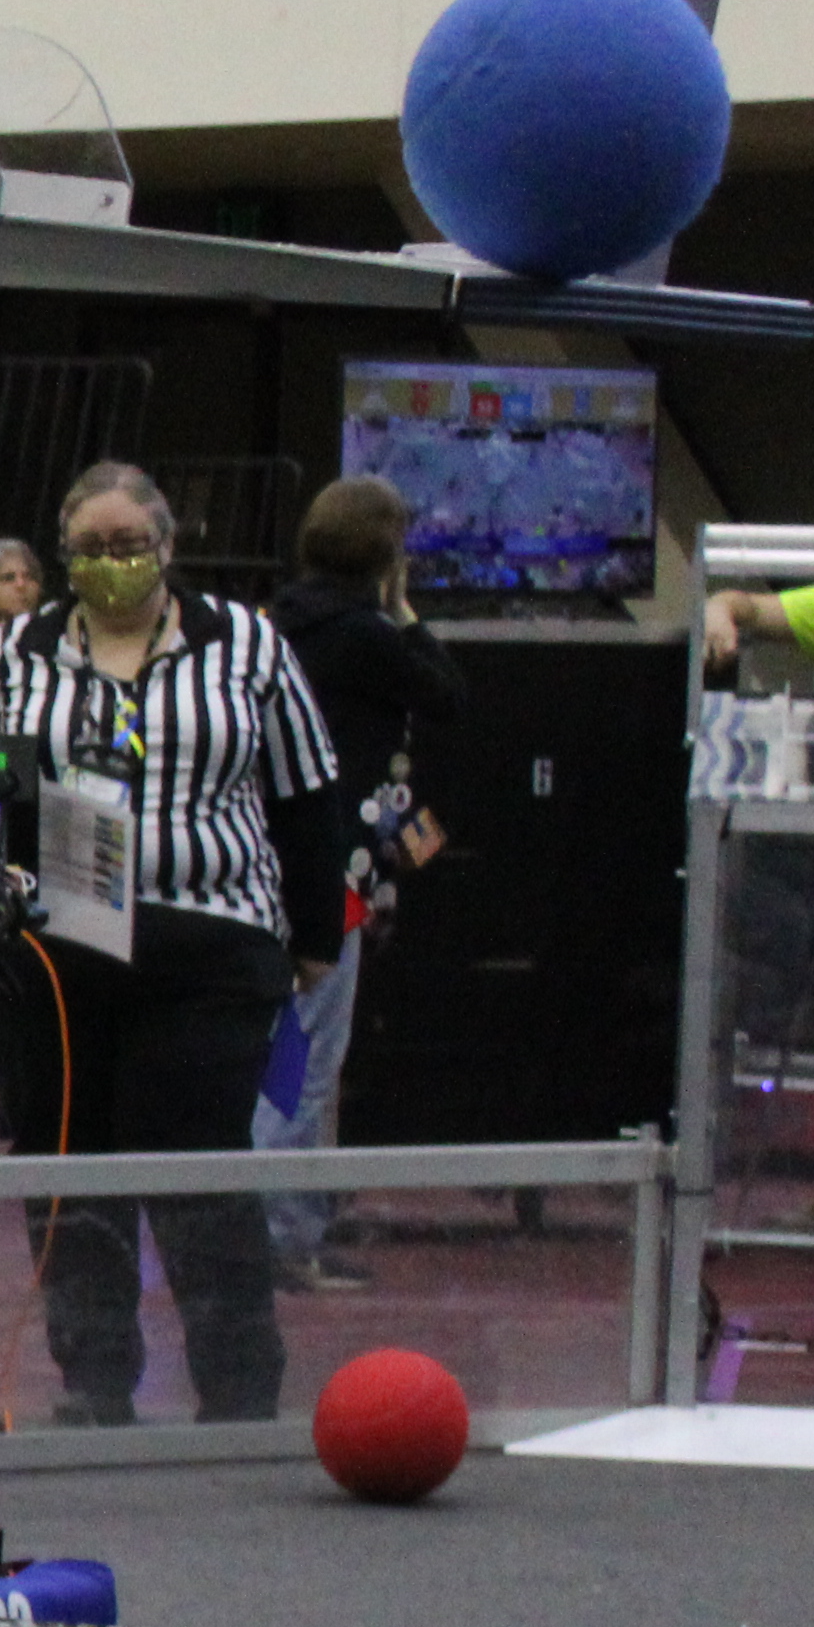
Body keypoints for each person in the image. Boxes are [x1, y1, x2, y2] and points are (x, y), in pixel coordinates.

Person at [0, 460, 340, 1427]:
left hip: (212, 940)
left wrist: (316, 936)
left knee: (194, 1160)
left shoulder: (247, 644)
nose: (111, 563)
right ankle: (96, 1384)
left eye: (130, 546)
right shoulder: (9, 654)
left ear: (167, 546)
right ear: (63, 556)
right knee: (68, 1165)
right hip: (56, 954)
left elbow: (307, 791)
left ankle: (240, 1389)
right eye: (90, 549)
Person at [248, 469, 463, 1291]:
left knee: (283, 1051)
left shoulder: (277, 622)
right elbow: (448, 696)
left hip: (274, 857)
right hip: (331, 867)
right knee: (307, 1056)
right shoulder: (367, 634)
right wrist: (404, 609)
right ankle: (282, 1233)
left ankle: (286, 1221)